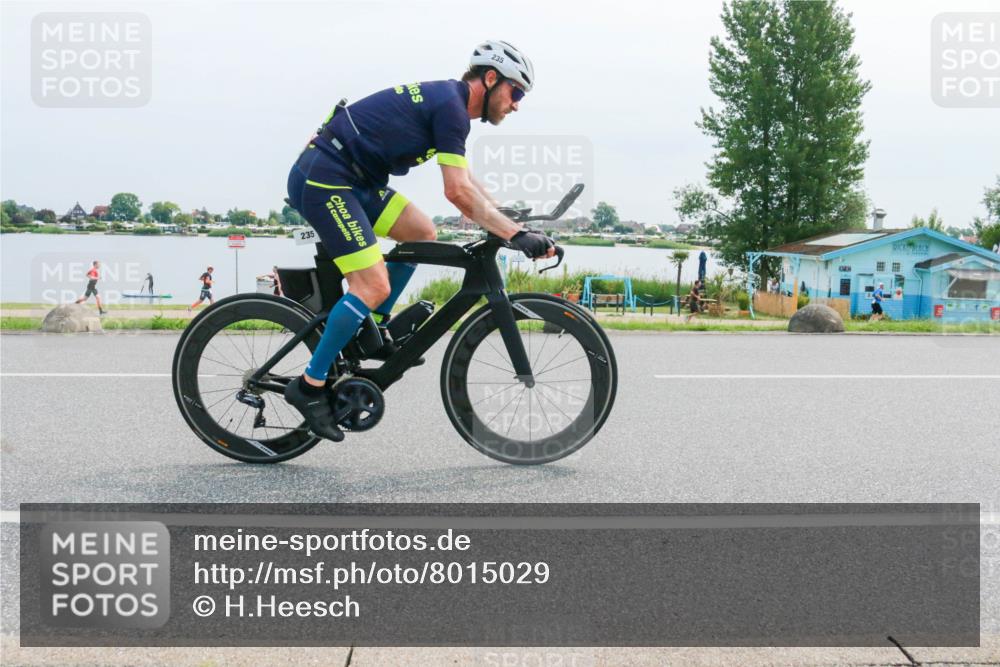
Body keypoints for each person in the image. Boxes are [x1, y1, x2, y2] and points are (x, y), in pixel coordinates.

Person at [282, 40, 554, 442]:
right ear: (490, 79)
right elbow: (456, 192)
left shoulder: (451, 105)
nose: (516, 105)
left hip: (356, 181)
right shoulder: (451, 108)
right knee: (372, 285)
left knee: (422, 233)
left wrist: (505, 216)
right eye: (516, 93)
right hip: (326, 178)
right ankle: (309, 386)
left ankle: (372, 330)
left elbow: (466, 180)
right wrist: (513, 233)